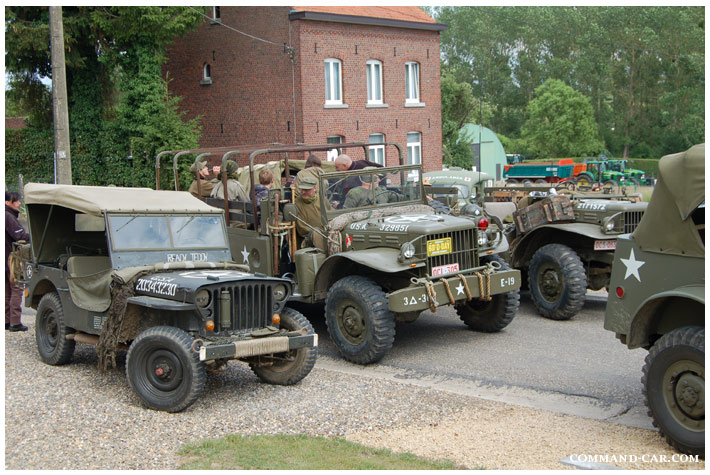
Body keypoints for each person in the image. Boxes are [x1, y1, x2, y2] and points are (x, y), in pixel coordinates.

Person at [5, 191, 30, 332]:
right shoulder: (8, 216)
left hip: (4, 258)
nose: (19, 203)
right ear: (7, 202)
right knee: (16, 288)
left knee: (7, 290)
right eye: (16, 201)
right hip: (11, 258)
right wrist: (33, 237)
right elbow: (20, 236)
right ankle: (15, 322)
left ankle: (6, 321)